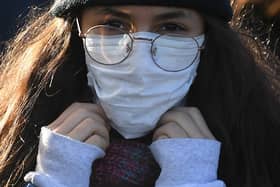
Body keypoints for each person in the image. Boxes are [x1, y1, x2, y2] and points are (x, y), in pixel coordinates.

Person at [0, 0, 279, 187]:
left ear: (207, 39)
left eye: (171, 27)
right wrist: (55, 177)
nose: (140, 61)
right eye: (113, 23)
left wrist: (192, 179)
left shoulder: (262, 145)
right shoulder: (15, 136)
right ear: (76, 34)